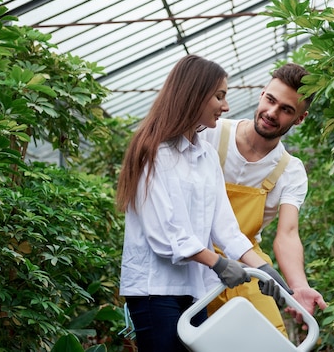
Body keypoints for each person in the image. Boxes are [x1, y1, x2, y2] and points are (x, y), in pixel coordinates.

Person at [117, 54, 290, 352]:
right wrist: (218, 263)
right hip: (154, 290)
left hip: (195, 288)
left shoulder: (205, 155)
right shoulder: (153, 151)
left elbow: (225, 227)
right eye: (219, 96)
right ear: (193, 94)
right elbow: (164, 234)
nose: (226, 107)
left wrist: (264, 267)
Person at [202, 62, 327, 336]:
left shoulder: (289, 170)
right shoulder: (211, 133)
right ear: (262, 94)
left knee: (270, 336)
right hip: (197, 257)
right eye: (271, 100)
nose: (272, 113)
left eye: (286, 110)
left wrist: (299, 286)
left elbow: (288, 233)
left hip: (247, 264)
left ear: (300, 118)